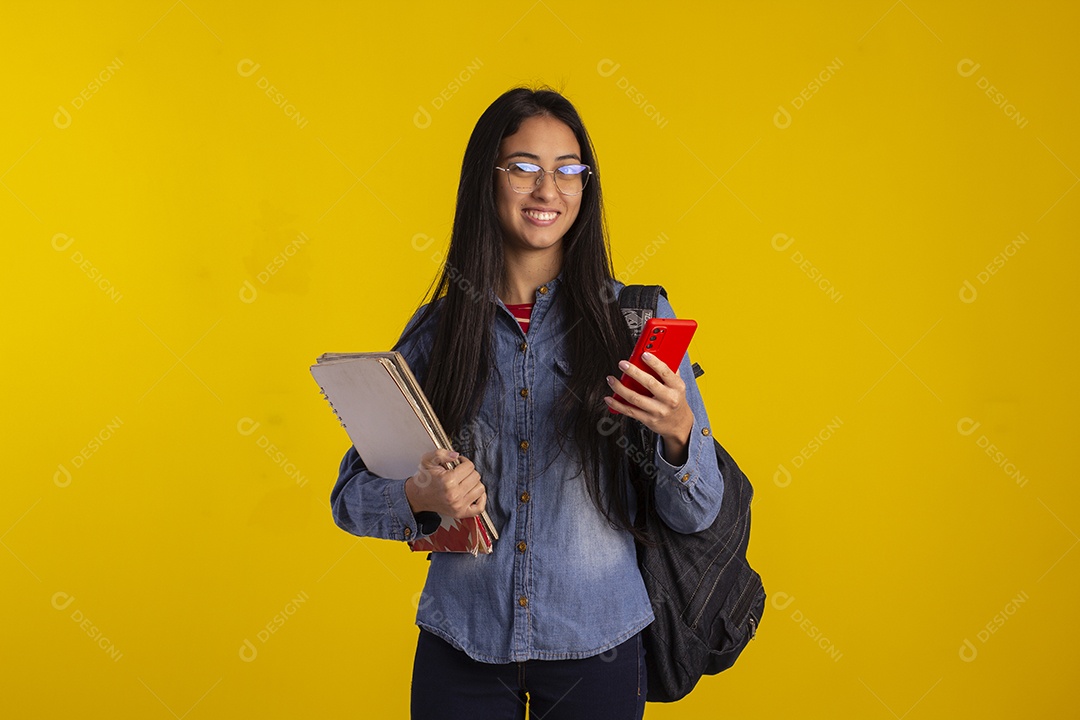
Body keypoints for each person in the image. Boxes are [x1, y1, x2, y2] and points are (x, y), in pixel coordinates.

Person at [329, 87, 723, 720]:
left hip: (599, 643)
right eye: (524, 167)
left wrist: (679, 433)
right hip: (462, 641)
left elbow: (698, 510)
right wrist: (419, 497)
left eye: (568, 170)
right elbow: (348, 499)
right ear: (487, 179)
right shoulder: (438, 332)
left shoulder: (633, 321)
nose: (548, 190)